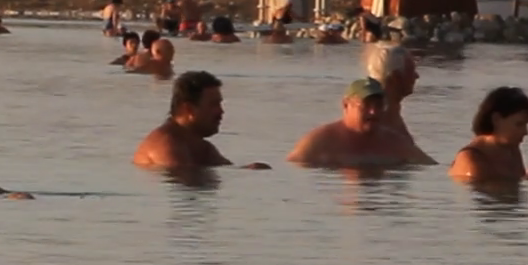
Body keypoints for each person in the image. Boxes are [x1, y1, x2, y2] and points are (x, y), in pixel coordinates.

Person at [133, 70, 268, 170]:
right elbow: (184, 182)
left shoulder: (203, 147)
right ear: (189, 109)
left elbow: (228, 172)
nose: (221, 111)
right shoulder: (167, 145)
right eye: (213, 104)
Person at [285, 78, 425, 169]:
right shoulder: (318, 142)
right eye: (366, 105)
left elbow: (430, 167)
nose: (373, 112)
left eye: (378, 106)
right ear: (346, 105)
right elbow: (291, 171)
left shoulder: (396, 143)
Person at [449, 86, 528, 183]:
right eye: (519, 124)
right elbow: (497, 195)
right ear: (496, 119)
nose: (526, 132)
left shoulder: (510, 149)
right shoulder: (470, 159)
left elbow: (518, 188)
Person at [365, 43, 434, 164]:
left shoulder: (387, 110)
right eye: (411, 70)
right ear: (396, 77)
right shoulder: (382, 115)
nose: (417, 76)